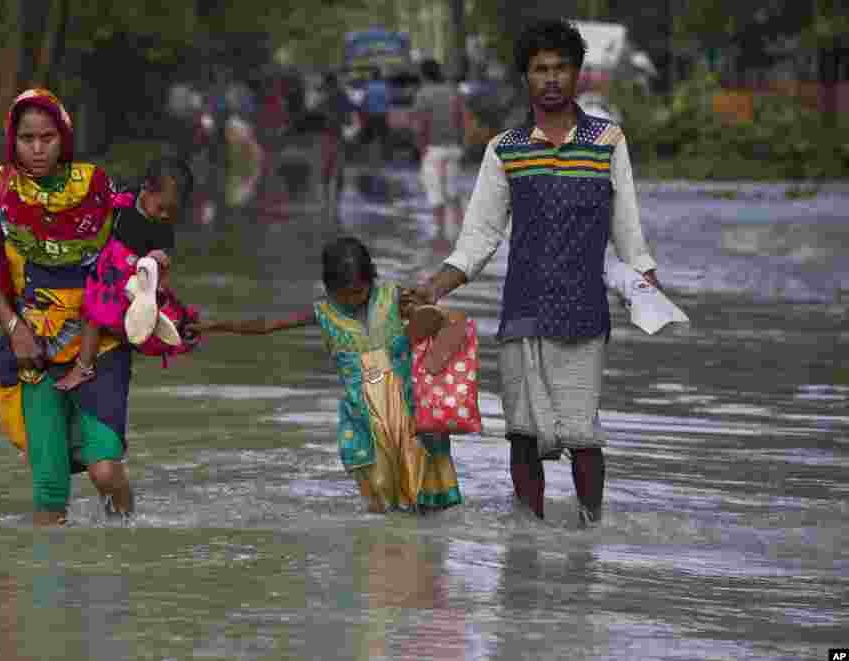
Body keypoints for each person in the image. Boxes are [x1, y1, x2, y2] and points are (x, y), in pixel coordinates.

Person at [407, 19, 661, 526]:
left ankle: (592, 534)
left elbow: (627, 227)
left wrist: (644, 279)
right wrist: (432, 288)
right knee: (522, 436)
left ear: (576, 75)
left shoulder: (607, 142)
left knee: (584, 437)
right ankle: (528, 542)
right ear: (527, 78)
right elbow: (477, 236)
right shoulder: (505, 149)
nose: (550, 78)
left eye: (560, 68)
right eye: (540, 69)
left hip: (584, 316)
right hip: (523, 313)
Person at [192, 237, 462, 514]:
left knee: (423, 495)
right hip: (364, 418)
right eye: (342, 294)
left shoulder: (393, 298)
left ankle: (423, 550)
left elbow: (430, 319)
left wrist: (424, 314)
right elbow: (265, 325)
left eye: (358, 291)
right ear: (328, 287)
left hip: (408, 411)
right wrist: (215, 325)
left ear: (371, 279)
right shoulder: (323, 313)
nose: (351, 300)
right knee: (382, 499)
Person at [0, 88, 135, 526]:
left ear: (64, 138)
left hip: (100, 347)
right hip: (33, 349)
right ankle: (47, 589)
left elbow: (126, 253)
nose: (37, 148)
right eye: (27, 138)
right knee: (49, 492)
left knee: (106, 469)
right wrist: (15, 329)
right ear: (13, 140)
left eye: (47, 137)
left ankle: (126, 548)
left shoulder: (95, 184)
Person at [55, 153, 202, 392]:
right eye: (162, 207)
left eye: (173, 211)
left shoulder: (162, 229)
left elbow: (162, 267)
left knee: (97, 316)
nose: (165, 215)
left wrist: (157, 263)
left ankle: (83, 368)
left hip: (132, 281)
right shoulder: (123, 199)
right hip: (106, 266)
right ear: (145, 189)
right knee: (93, 312)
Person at [414, 59, 465, 244]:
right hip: (453, 149)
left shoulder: (423, 94)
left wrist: (421, 149)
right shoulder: (453, 92)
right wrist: (461, 144)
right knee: (453, 192)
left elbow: (421, 125)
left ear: (423, 75)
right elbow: (461, 120)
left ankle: (439, 234)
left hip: (433, 150)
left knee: (436, 194)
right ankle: (462, 231)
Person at [319, 71, 356, 209]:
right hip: (337, 136)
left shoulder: (326, 98)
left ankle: (327, 202)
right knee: (337, 169)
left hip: (328, 136)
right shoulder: (342, 96)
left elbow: (318, 116)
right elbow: (348, 119)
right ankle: (335, 202)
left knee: (328, 169)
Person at [360, 68, 391, 162]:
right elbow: (388, 101)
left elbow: (364, 101)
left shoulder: (368, 86)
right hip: (382, 114)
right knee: (383, 137)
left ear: (372, 76)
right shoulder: (385, 86)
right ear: (380, 76)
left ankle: (367, 157)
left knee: (368, 137)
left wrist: (364, 109)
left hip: (371, 114)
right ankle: (385, 156)